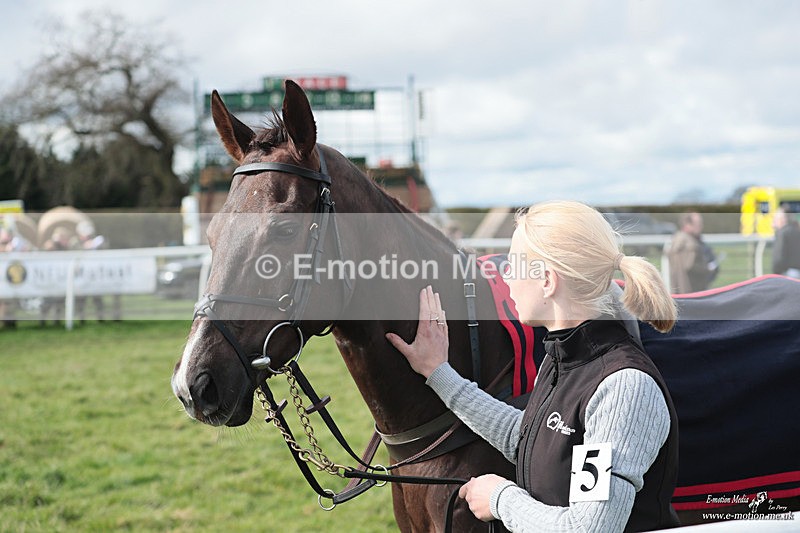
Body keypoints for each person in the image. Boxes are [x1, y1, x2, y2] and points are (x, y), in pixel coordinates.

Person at [386, 200, 680, 532]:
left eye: (513, 265)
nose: (505, 277)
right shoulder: (563, 359)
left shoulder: (623, 386)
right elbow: (529, 437)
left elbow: (589, 529)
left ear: (547, 281)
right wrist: (438, 373)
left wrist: (500, 499)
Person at [667, 212, 718, 293]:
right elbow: (690, 267)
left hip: (679, 292)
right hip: (691, 292)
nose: (701, 227)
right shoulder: (689, 244)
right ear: (687, 224)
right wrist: (708, 269)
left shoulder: (676, 240)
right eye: (698, 224)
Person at [771, 207, 800, 278]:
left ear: (783, 219)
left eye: (776, 219)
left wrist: (776, 272)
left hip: (787, 274)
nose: (773, 223)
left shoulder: (782, 233)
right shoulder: (797, 230)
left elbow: (779, 257)